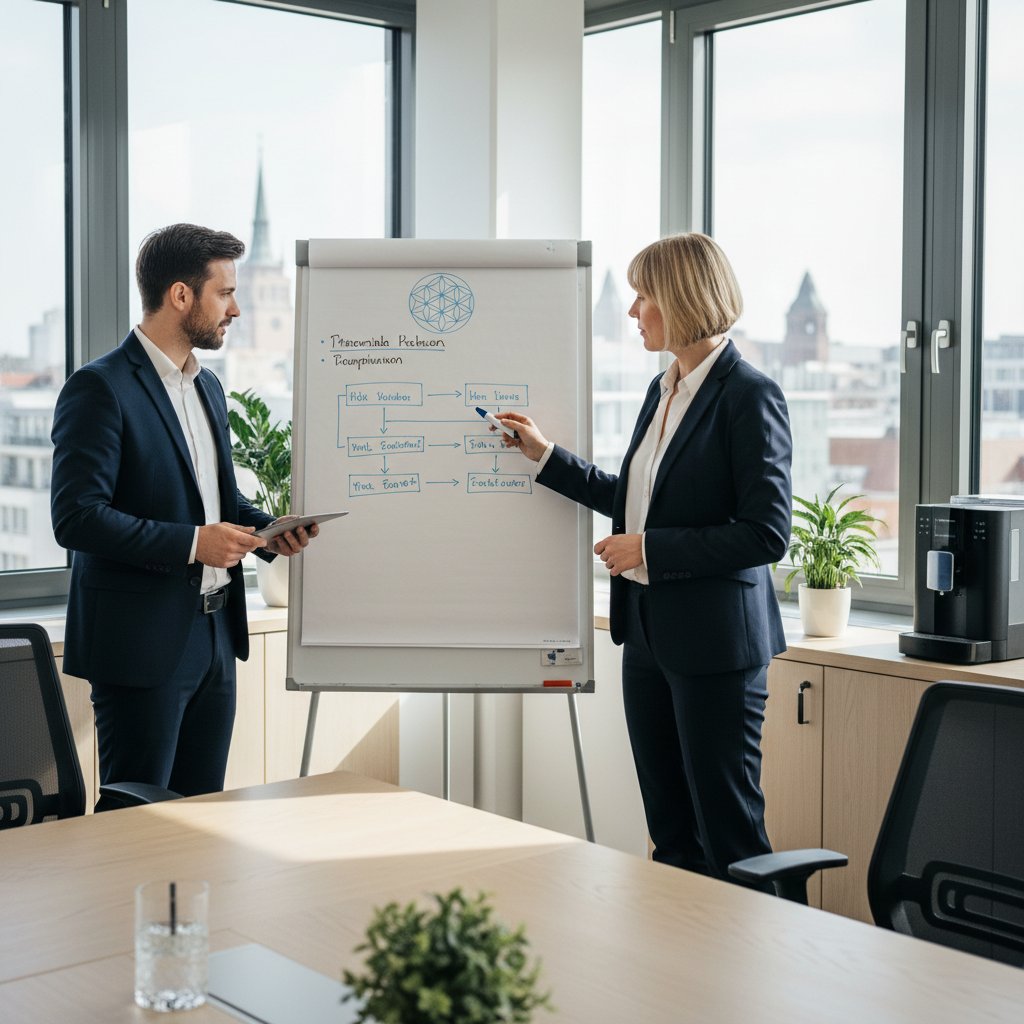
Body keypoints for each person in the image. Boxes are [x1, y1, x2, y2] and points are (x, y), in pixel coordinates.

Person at [496, 233, 792, 884]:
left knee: (731, 835)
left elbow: (767, 534)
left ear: (681, 299)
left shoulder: (749, 395)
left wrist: (648, 549)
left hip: (717, 647)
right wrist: (546, 457)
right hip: (650, 640)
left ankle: (762, 975)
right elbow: (634, 502)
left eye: (642, 295)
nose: (633, 311)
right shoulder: (663, 393)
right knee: (669, 833)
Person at [50, 222, 318, 809]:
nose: (237, 309)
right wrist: (194, 544)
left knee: (204, 818)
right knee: (135, 822)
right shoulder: (100, 388)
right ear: (180, 295)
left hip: (216, 637)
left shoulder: (210, 387)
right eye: (225, 293)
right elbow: (76, 518)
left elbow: (215, 503)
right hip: (141, 646)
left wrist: (272, 533)